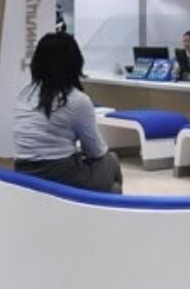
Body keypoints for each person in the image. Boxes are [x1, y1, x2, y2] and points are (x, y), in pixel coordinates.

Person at [13, 32, 122, 193]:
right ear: (74, 63)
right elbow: (96, 151)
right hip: (58, 173)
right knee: (112, 161)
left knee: (112, 188)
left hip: (22, 170)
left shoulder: (24, 93)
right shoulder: (76, 100)